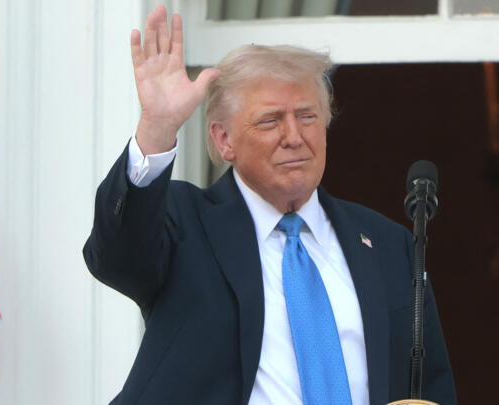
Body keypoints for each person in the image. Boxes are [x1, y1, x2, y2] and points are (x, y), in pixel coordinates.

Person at [83, 5, 456, 405]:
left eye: (308, 116)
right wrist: (156, 130)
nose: (294, 136)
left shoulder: (388, 245)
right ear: (224, 140)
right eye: (270, 121)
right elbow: (117, 257)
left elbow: (432, 386)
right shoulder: (183, 223)